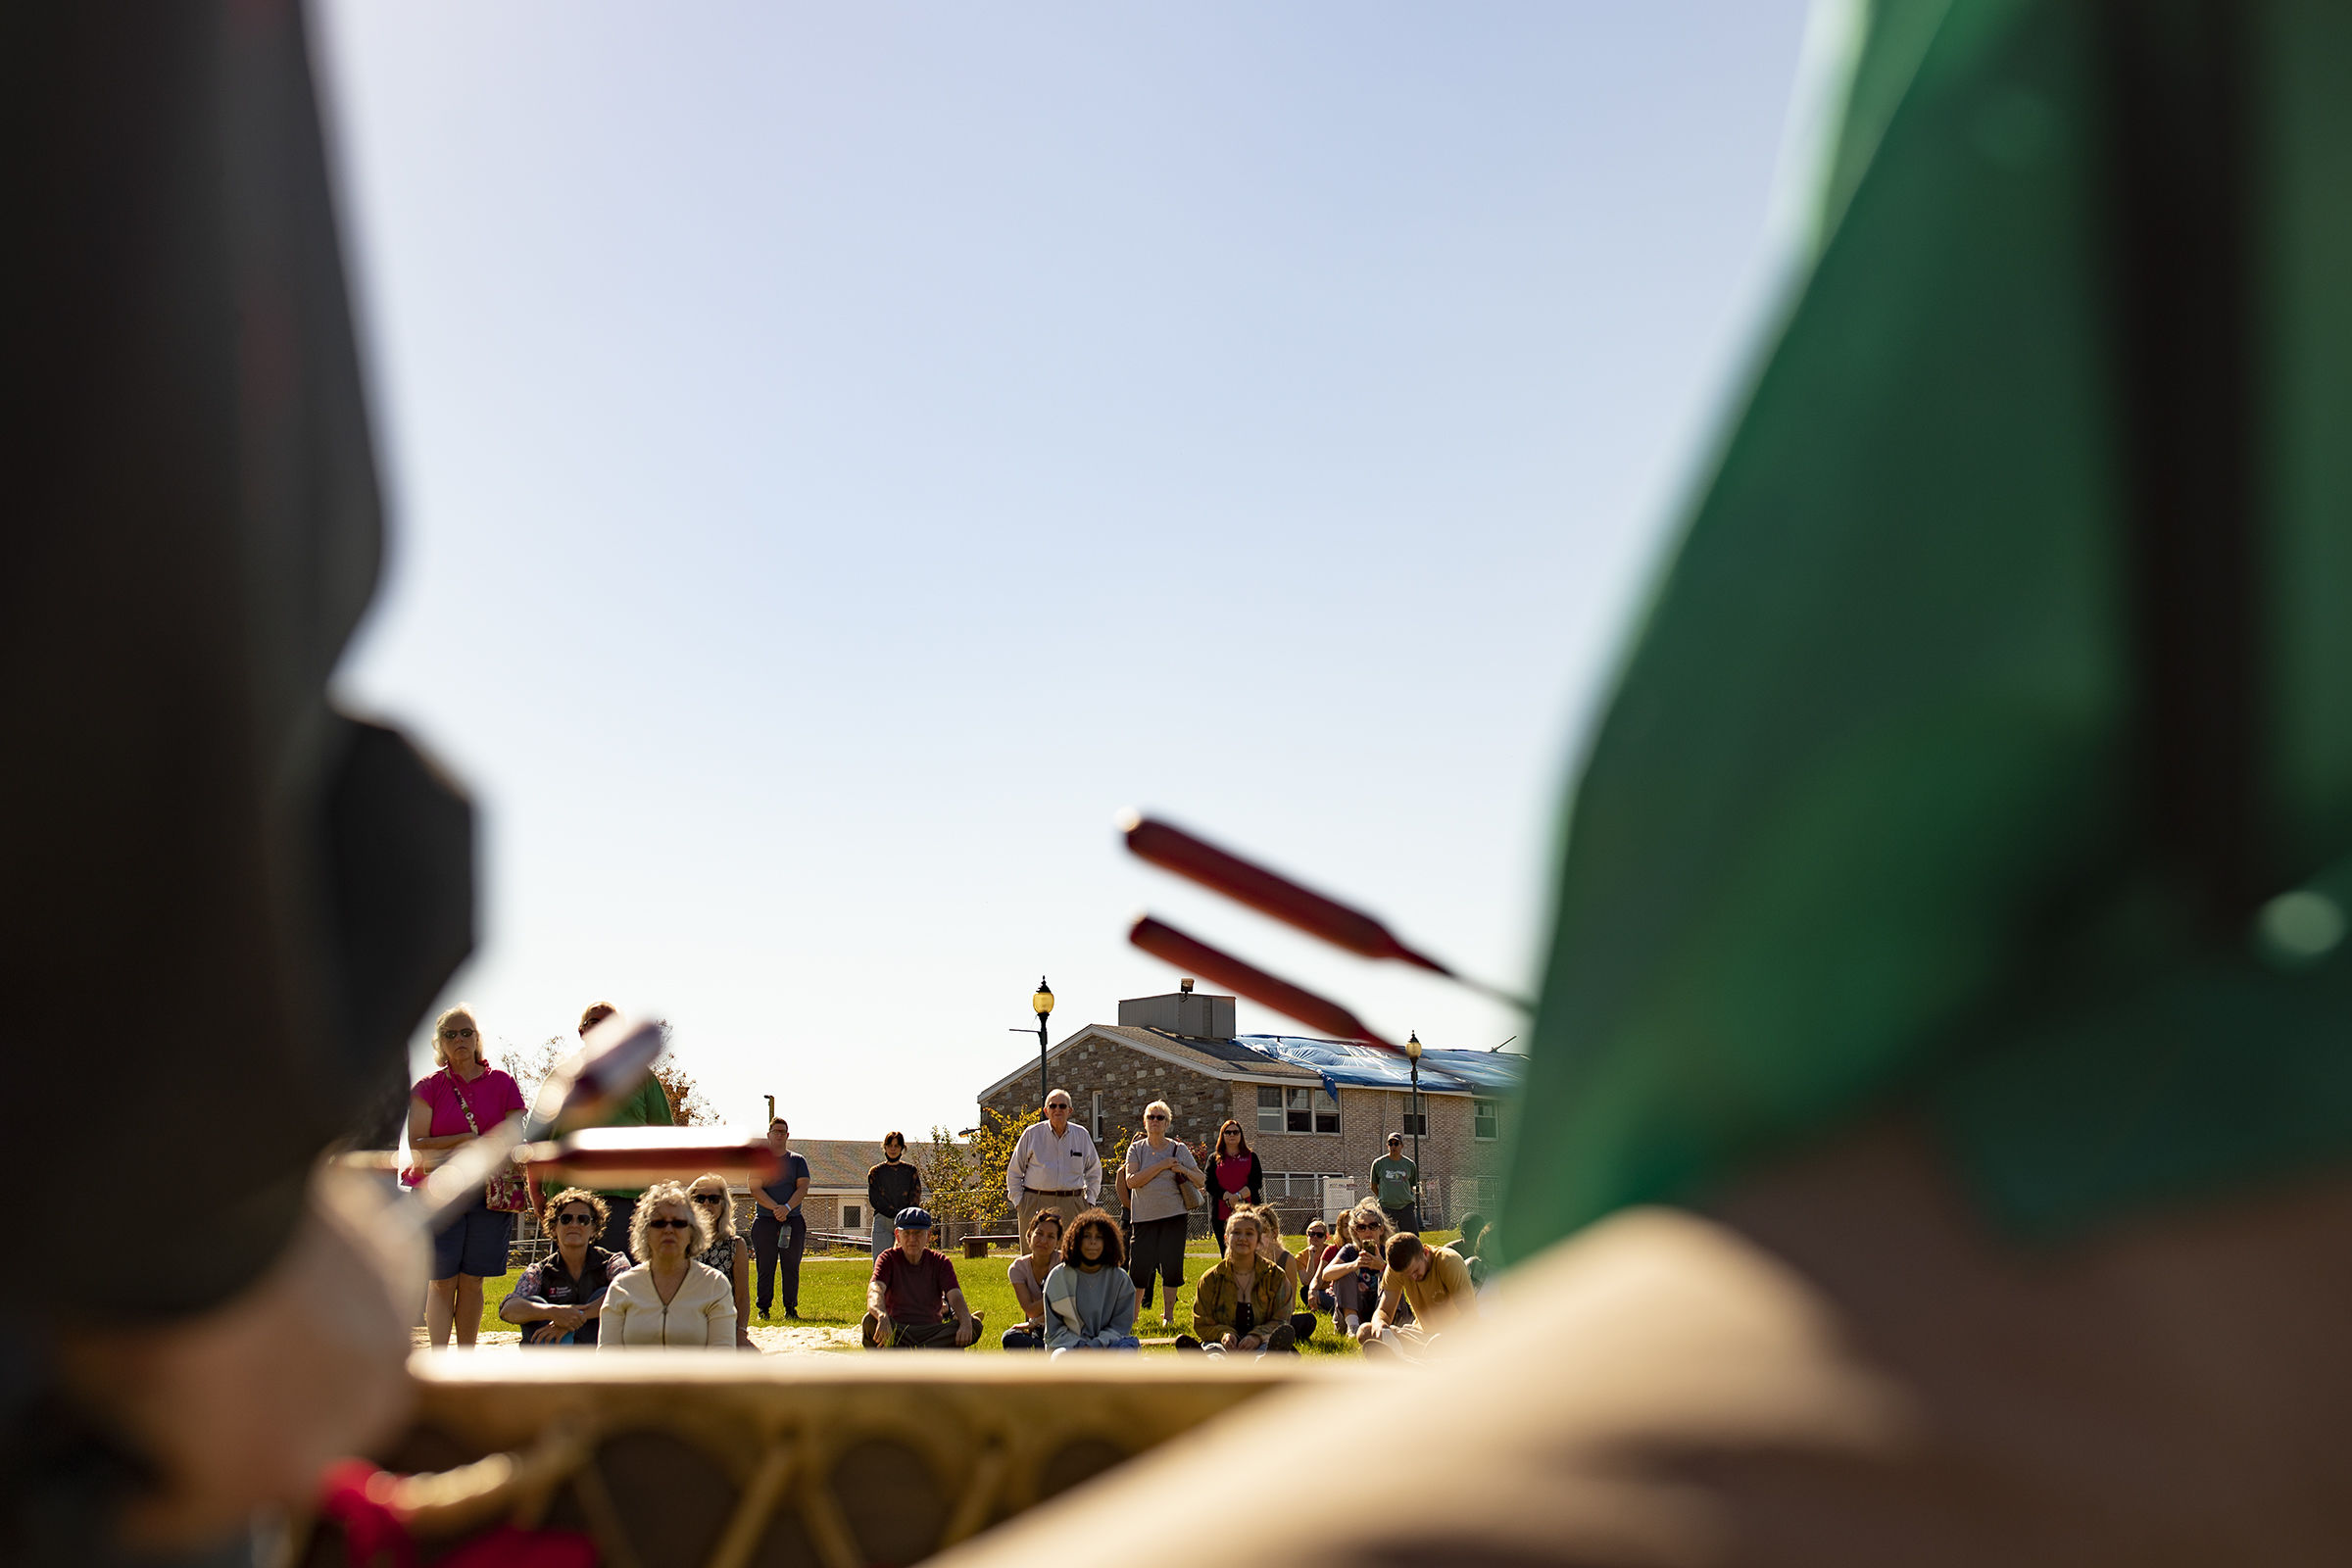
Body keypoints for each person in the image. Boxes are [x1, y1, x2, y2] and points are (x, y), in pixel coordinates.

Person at [404, 1004, 528, 1349]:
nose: (459, 1039)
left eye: (466, 1032)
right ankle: (440, 1358)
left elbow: (516, 1137)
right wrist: (466, 1140)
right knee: (441, 1281)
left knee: (473, 1280)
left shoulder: (502, 1083)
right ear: (439, 1044)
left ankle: (466, 1359)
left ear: (477, 1039)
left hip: (489, 1193)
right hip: (437, 1192)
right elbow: (417, 1145)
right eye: (450, 1034)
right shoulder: (428, 1087)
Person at [576, 1002, 675, 1257]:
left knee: (625, 1280)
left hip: (629, 1198)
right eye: (595, 1022)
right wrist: (540, 1194)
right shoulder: (564, 1078)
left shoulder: (643, 1078)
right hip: (575, 1198)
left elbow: (664, 1138)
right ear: (581, 1031)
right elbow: (542, 1141)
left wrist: (660, 1195)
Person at [597, 1183, 737, 1348]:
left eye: (678, 1223)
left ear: (692, 1232)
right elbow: (608, 1357)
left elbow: (722, 1357)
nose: (669, 1229)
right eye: (658, 1223)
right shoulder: (622, 1288)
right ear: (644, 1232)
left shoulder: (715, 1285)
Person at [500, 1189, 627, 1347]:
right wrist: (553, 1312)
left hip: (597, 1347)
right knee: (532, 1302)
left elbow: (629, 1293)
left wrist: (571, 1319)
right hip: (553, 1351)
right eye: (566, 1219)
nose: (574, 1224)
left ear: (594, 1228)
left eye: (583, 1219)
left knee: (607, 1294)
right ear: (553, 1227)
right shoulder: (539, 1271)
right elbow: (508, 1309)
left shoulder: (613, 1261)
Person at [1120, 1100, 1203, 1331]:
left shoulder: (1179, 1149)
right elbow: (1132, 1181)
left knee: (1171, 1266)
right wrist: (1162, 1165)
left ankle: (1169, 1315)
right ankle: (1134, 1316)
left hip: (1173, 1215)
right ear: (1144, 1122)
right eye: (1151, 1117)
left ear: (1167, 1123)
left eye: (1160, 1118)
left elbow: (1200, 1179)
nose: (1155, 1121)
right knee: (1139, 1267)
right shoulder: (1136, 1149)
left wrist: (1182, 1169)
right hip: (1143, 1218)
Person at [863, 1207, 981, 1349]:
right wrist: (882, 1316)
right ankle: (928, 1353)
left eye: (918, 1233)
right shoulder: (887, 1259)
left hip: (931, 1331)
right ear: (898, 1235)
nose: (912, 1239)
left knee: (974, 1324)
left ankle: (905, 1354)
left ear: (929, 1235)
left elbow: (955, 1295)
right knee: (870, 1321)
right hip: (898, 1330)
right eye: (907, 1233)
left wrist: (966, 1322)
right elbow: (875, 1291)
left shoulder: (940, 1261)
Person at [1179, 1209, 1293, 1355]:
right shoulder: (1210, 1279)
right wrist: (1224, 1335)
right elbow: (1201, 1322)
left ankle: (1264, 1367)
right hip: (1221, 1344)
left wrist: (1257, 1336)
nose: (1242, 1238)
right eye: (1236, 1233)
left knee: (1267, 1352)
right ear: (1226, 1238)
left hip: (1263, 1342)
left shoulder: (1276, 1276)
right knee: (1214, 1352)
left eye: (1249, 1233)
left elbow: (1282, 1320)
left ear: (1258, 1240)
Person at [1357, 1232, 1477, 1361]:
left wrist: (1446, 1337)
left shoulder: (1449, 1261)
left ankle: (1413, 1361)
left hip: (1455, 1337)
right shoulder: (1396, 1269)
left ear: (1425, 1253)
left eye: (1415, 1271)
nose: (1413, 1278)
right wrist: (1379, 1323)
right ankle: (1418, 1361)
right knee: (1366, 1332)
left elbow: (1469, 1316)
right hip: (1421, 1336)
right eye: (1407, 1275)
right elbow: (1384, 1310)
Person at [1004, 1091, 1102, 1242]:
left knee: (1071, 1257)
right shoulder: (1031, 1134)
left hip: (1072, 1203)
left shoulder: (1082, 1135)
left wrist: (1089, 1201)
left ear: (1070, 1111)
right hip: (1035, 1203)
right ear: (1046, 1111)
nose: (1058, 1110)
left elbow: (1094, 1171)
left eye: (1062, 1106)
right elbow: (1014, 1172)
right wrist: (1020, 1203)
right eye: (1053, 1106)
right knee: (1035, 1259)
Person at [1044, 1208, 1141, 1355]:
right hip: (1070, 1347)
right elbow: (1054, 1330)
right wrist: (1081, 1346)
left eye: (1099, 1237)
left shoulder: (1120, 1279)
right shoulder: (1058, 1277)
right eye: (1087, 1236)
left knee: (1126, 1355)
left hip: (1110, 1345)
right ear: (1075, 1239)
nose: (1093, 1242)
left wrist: (1096, 1345)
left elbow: (1120, 1326)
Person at [750, 1117, 811, 1321]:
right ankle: (763, 1309)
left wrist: (786, 1207)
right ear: (768, 1135)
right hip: (765, 1221)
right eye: (775, 1131)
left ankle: (790, 1309)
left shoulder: (797, 1161)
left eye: (782, 1131)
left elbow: (802, 1186)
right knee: (765, 1266)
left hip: (792, 1220)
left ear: (787, 1135)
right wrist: (775, 1208)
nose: (779, 1134)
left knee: (791, 1266)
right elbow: (755, 1187)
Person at [687, 1174, 756, 1350]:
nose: (706, 1204)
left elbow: (741, 1297)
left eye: (713, 1199)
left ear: (723, 1204)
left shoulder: (736, 1245)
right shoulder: (682, 1244)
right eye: (699, 1198)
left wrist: (741, 1333)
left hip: (722, 1326)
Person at [1314, 1201, 1393, 1338]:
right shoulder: (1350, 1250)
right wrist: (1354, 1264)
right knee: (1344, 1272)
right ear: (1356, 1232)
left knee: (1390, 1276)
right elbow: (1326, 1274)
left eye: (1373, 1226)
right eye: (1362, 1227)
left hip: (1382, 1309)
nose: (1368, 1231)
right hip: (1356, 1308)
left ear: (1381, 1229)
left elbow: (1407, 1279)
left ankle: (1385, 1324)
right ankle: (1353, 1327)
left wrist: (1382, 1267)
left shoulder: (1388, 1250)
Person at [1247, 1203, 1318, 1345]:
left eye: (1263, 1232)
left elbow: (1290, 1305)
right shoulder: (1246, 1256)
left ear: (1274, 1233)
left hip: (1277, 1317)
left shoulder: (1287, 1260)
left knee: (1308, 1321)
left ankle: (1269, 1336)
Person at [1001, 1209, 1063, 1350]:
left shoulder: (1064, 1264)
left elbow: (1067, 1307)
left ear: (1057, 1243)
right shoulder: (1018, 1268)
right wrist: (1056, 1298)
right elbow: (1030, 1310)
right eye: (1039, 1234)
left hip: (1063, 1327)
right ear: (1029, 1236)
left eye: (1051, 1236)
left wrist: (1034, 1322)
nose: (1043, 1241)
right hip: (1038, 1327)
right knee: (1009, 1337)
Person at [1201, 1119, 1264, 1251]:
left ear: (1241, 1135)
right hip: (1221, 1215)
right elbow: (1209, 1184)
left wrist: (1238, 1196)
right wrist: (1228, 1197)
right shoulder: (1214, 1159)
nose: (1232, 1135)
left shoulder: (1251, 1157)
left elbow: (1256, 1182)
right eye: (1228, 1132)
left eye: (1235, 1132)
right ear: (1222, 1135)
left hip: (1249, 1212)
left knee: (1251, 1251)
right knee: (1227, 1253)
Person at [865, 1132, 923, 1258]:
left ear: (902, 1148)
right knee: (881, 1262)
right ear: (884, 1147)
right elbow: (875, 1199)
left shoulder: (910, 1171)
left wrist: (904, 1214)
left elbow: (915, 1195)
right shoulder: (875, 1172)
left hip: (906, 1222)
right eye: (890, 1145)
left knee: (906, 1262)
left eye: (896, 1146)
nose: (893, 1149)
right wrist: (893, 1212)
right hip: (883, 1222)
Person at [1370, 1133, 1420, 1235]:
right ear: (1387, 1145)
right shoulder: (1378, 1163)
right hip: (1386, 1207)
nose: (1393, 1146)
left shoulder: (1409, 1164)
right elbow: (1373, 1185)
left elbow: (1411, 1185)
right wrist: (1384, 1197)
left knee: (1412, 1238)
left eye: (1396, 1143)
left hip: (1405, 1207)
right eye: (1390, 1143)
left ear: (1402, 1145)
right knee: (1386, 1237)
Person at [1298, 1219, 1337, 1320]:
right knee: (1304, 1291)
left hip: (1331, 1289)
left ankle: (1327, 1307)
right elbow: (1306, 1281)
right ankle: (1322, 1308)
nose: (1315, 1237)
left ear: (1325, 1238)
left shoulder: (1331, 1251)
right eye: (1312, 1234)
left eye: (1319, 1235)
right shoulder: (1300, 1257)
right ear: (1307, 1235)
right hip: (1313, 1290)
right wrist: (1311, 1257)